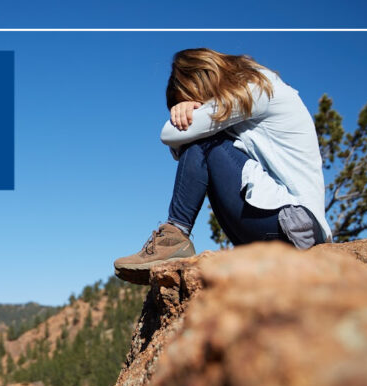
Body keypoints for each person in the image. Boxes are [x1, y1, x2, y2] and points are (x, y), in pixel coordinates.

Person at [114, 48, 331, 284]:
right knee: (204, 144)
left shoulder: (258, 88)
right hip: (280, 227)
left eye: (192, 98)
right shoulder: (246, 101)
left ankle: (174, 236)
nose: (195, 106)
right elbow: (184, 149)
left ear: (200, 81)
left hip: (293, 225)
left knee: (203, 142)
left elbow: (169, 133)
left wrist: (188, 115)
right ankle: (174, 237)